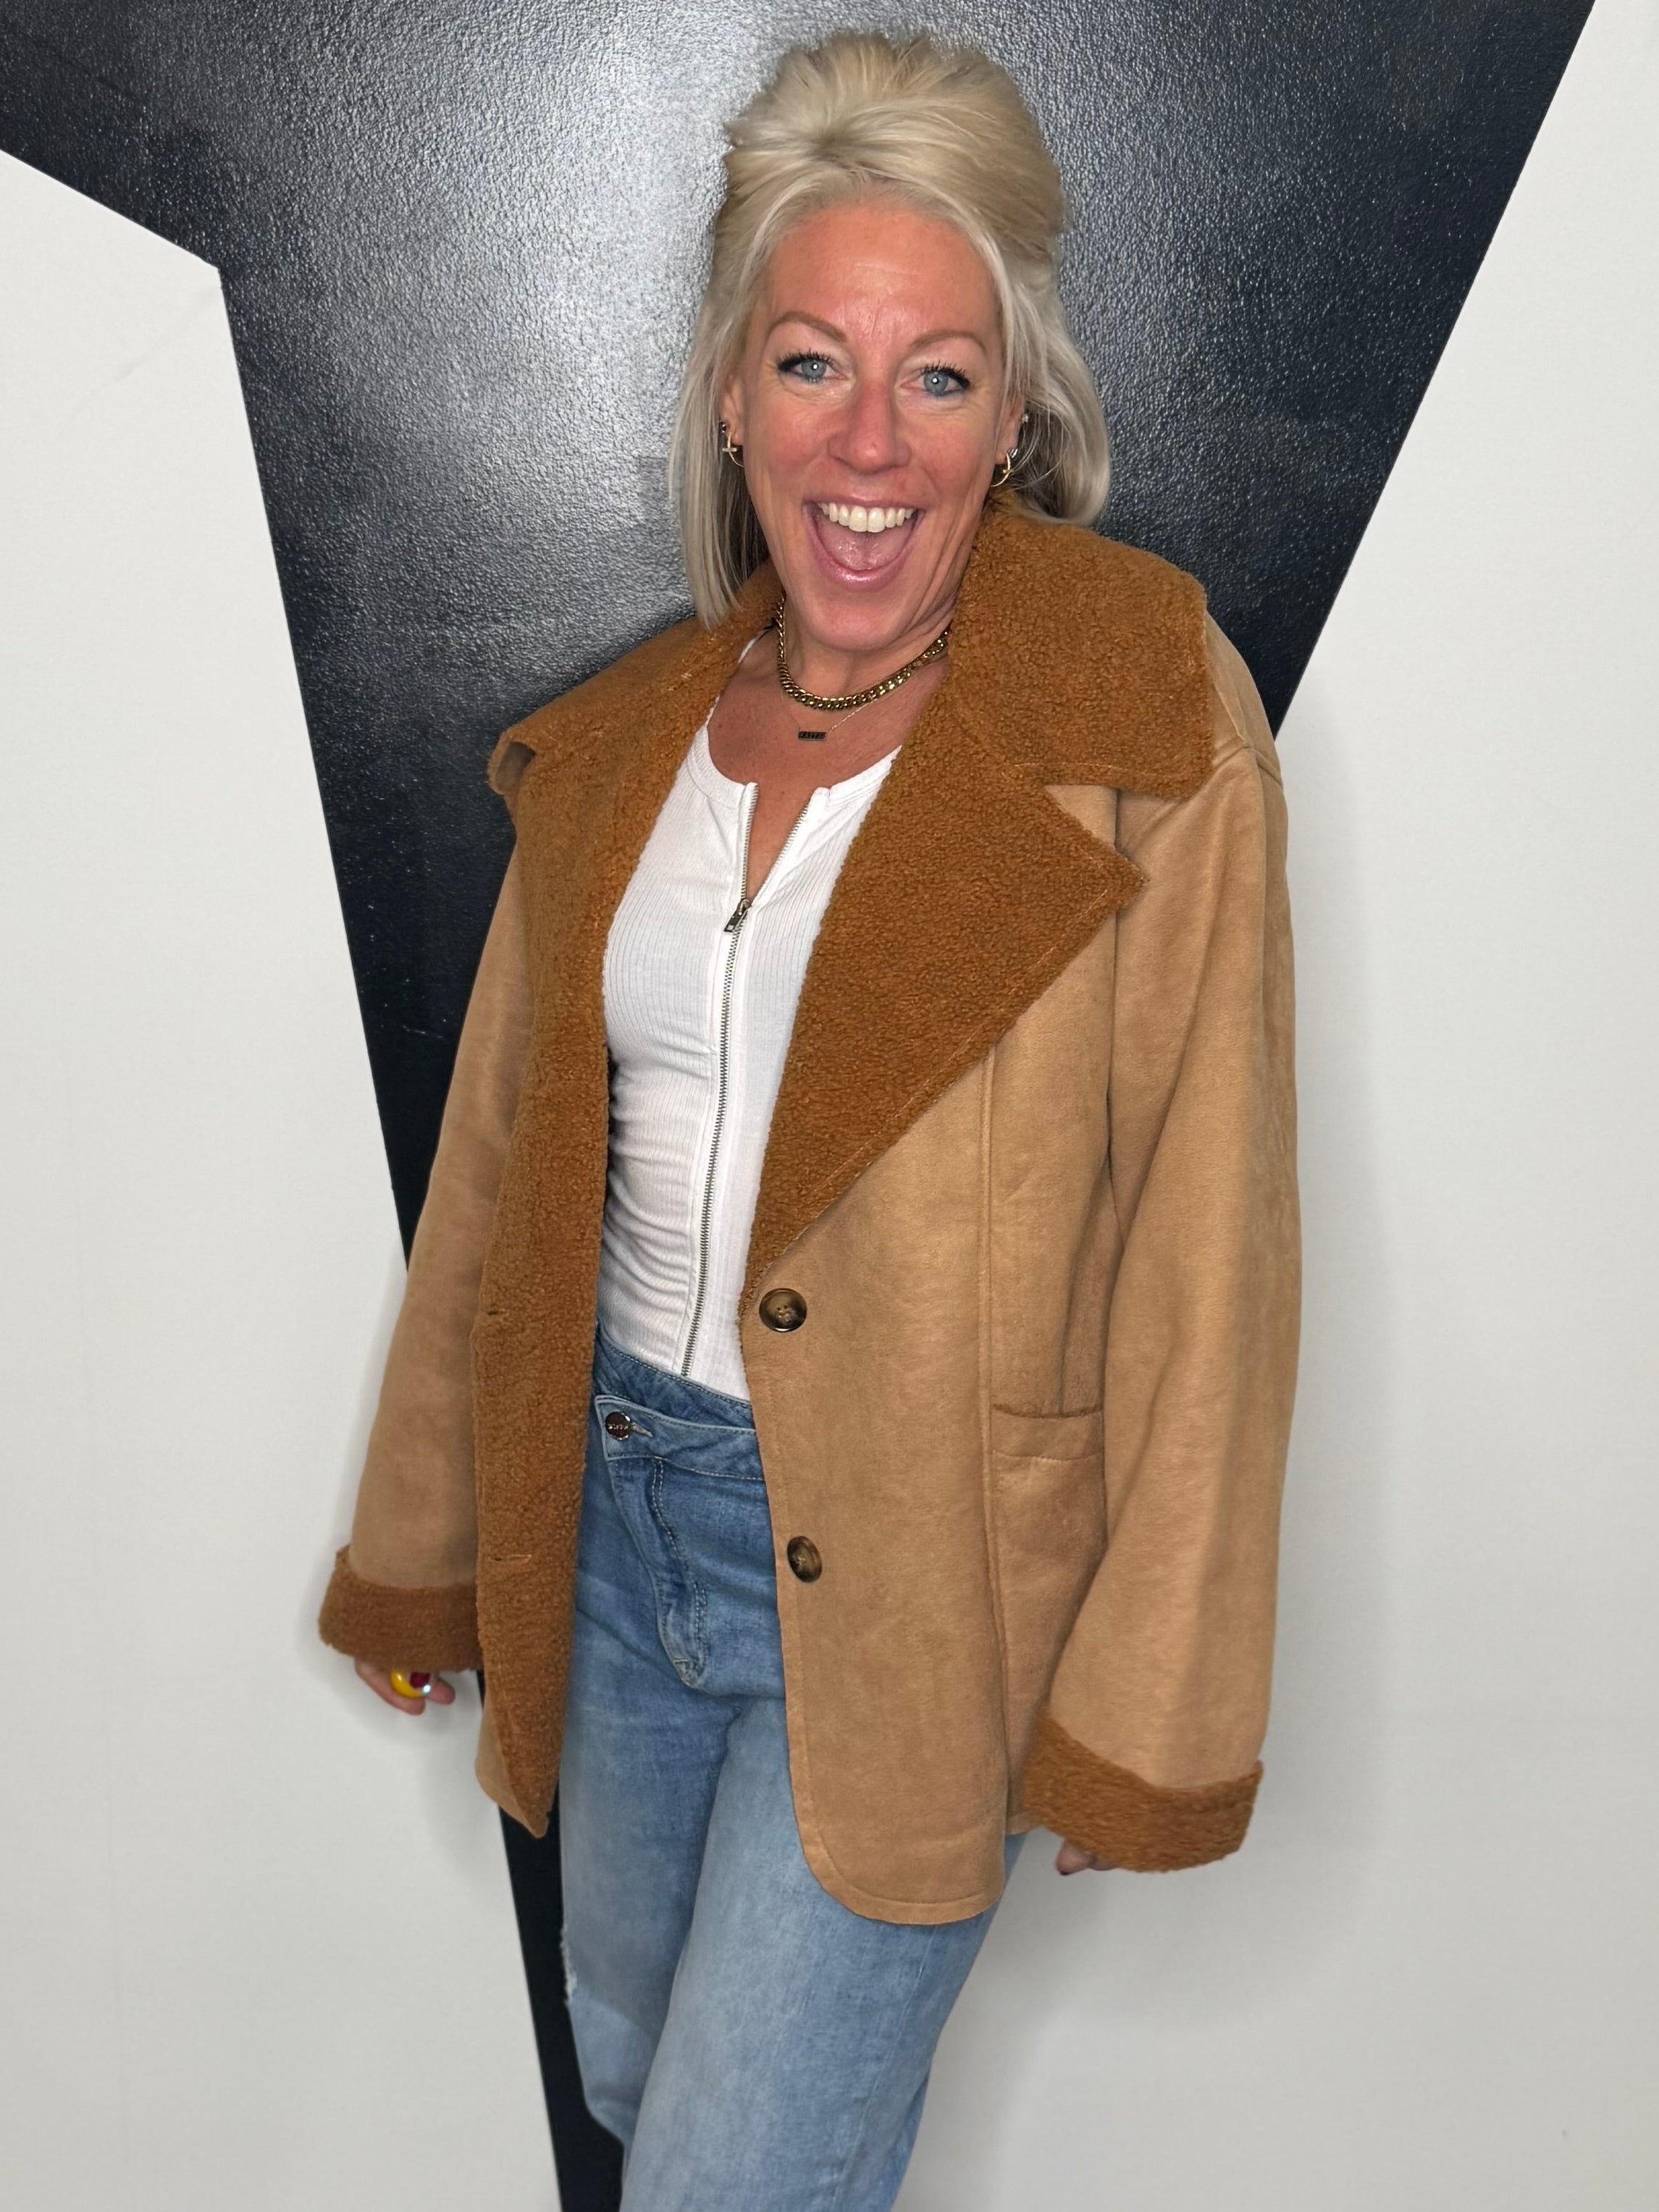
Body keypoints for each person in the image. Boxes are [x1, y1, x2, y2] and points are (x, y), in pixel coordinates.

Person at [319, 28, 1298, 2209]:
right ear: (727, 395)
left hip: (919, 1585)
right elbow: (498, 1187)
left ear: (1016, 409)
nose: (869, 444)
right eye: (810, 366)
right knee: (633, 2089)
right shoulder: (621, 747)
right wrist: (424, 1552)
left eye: (937, 377)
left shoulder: (1141, 710)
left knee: (728, 2184)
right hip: (611, 1535)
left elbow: (1207, 1250)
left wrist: (1148, 1695)